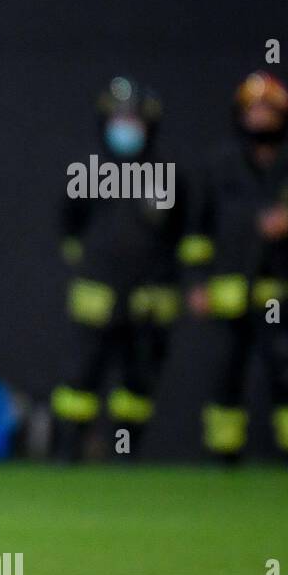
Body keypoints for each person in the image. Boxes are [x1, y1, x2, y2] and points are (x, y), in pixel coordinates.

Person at [183, 71, 288, 462]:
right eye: (253, 110)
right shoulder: (219, 165)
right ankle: (222, 456)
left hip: (282, 292)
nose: (260, 118)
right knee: (225, 376)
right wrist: (197, 282)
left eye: (269, 110)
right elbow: (198, 231)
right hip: (229, 294)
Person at [50, 78, 185, 460]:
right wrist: (94, 268)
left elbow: (178, 235)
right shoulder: (86, 172)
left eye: (134, 119)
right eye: (119, 118)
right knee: (80, 378)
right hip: (97, 297)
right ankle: (67, 453)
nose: (126, 127)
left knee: (137, 382)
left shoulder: (167, 174)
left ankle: (126, 454)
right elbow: (69, 228)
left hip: (148, 299)